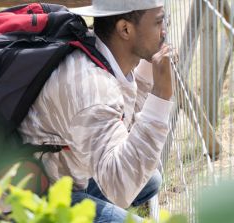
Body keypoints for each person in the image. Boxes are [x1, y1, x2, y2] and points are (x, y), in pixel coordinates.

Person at [18, 0, 174, 222]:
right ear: (125, 29)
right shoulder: (92, 88)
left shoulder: (97, 51)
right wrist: (161, 95)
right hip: (30, 196)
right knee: (133, 190)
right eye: (158, 22)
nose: (164, 31)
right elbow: (121, 185)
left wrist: (149, 72)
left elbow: (123, 125)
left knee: (150, 181)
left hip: (63, 174)